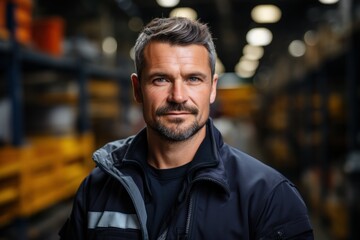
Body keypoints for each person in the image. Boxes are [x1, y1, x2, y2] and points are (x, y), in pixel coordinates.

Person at [59, 17, 314, 240]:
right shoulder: (97, 189)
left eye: (193, 79)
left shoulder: (268, 197)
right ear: (138, 89)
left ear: (212, 88)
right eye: (161, 79)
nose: (178, 96)